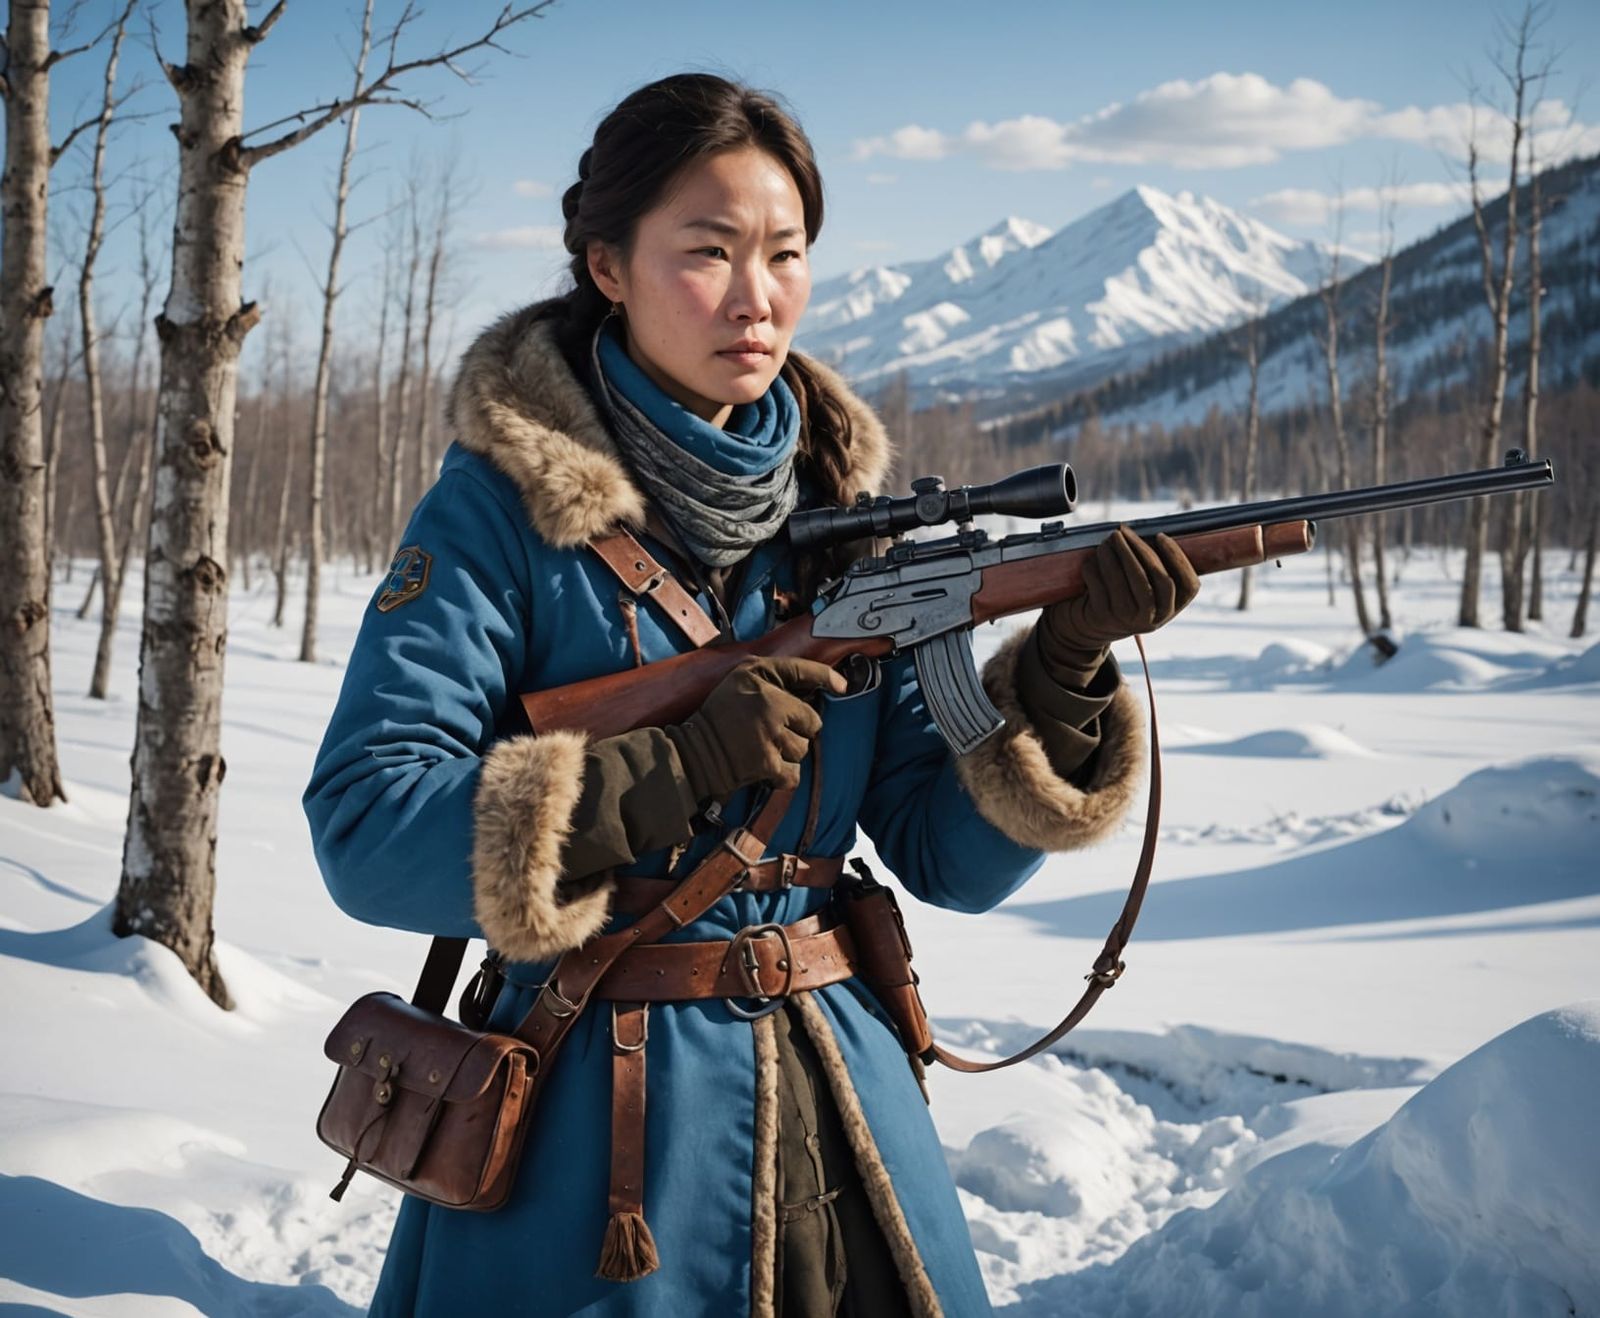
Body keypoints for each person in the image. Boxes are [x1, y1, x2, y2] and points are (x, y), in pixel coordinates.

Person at [304, 72, 1198, 1318]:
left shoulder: (844, 527)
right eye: (708, 252)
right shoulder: (495, 513)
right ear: (606, 262)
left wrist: (1063, 668)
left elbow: (949, 858)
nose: (756, 296)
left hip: (843, 1109)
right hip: (597, 1145)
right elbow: (365, 828)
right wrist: (664, 768)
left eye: (785, 253)